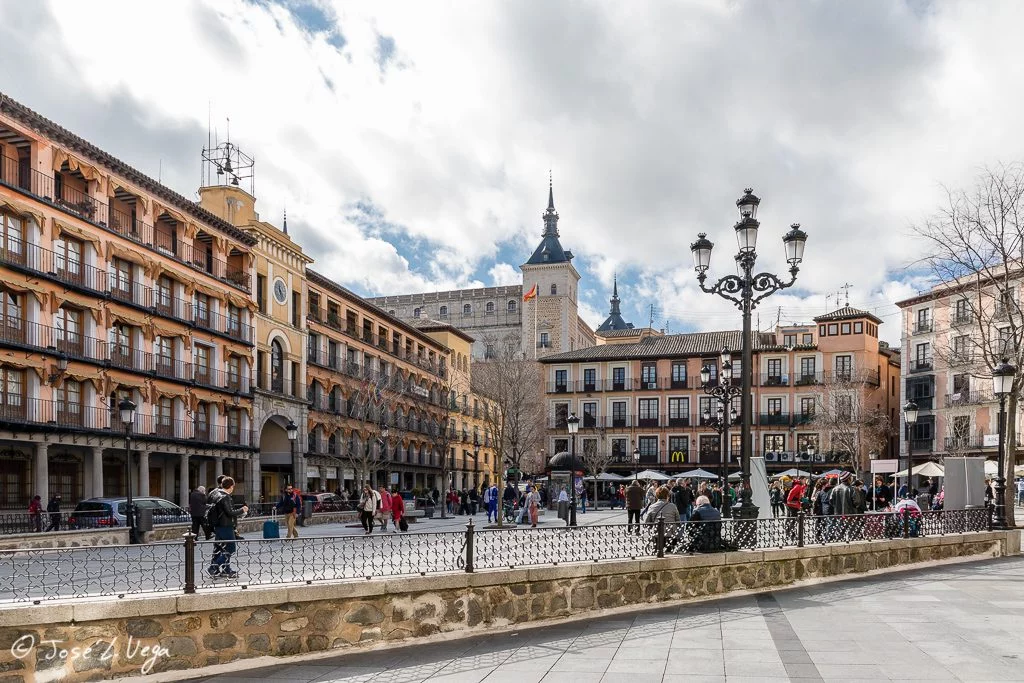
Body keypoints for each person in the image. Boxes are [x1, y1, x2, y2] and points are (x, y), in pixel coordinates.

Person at [206, 477, 248, 579]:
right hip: (226, 526)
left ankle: (226, 569)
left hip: (218, 526)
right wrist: (242, 510)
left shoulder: (216, 494)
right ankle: (213, 567)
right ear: (231, 486)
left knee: (220, 548)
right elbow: (230, 512)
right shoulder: (225, 497)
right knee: (230, 548)